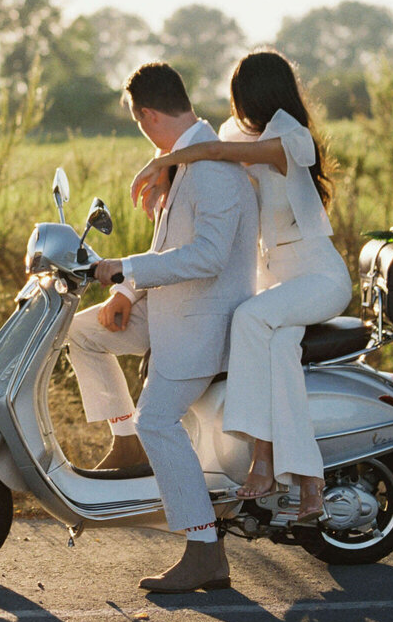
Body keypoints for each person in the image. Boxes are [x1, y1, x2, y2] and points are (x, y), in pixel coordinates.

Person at [130, 48, 350, 522]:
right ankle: (310, 484)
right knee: (278, 357)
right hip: (278, 286)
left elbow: (212, 150)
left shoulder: (292, 139)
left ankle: (264, 460)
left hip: (318, 278)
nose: (235, 108)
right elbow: (206, 148)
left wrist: (159, 164)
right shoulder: (242, 133)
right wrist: (167, 173)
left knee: (247, 317)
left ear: (255, 94)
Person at [67, 62, 258, 594]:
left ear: (147, 113)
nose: (142, 131)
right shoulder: (180, 161)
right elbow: (166, 250)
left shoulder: (212, 166)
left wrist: (126, 269)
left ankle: (204, 551)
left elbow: (209, 257)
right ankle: (124, 441)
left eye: (138, 122)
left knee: (159, 421)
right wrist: (126, 293)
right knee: (80, 333)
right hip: (169, 309)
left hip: (203, 321)